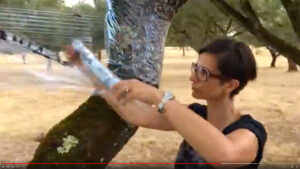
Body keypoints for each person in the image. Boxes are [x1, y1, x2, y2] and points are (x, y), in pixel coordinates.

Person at [67, 38, 267, 169]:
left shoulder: (249, 133)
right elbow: (135, 113)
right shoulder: (194, 114)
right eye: (195, 67)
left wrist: (159, 97)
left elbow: (224, 155)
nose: (192, 77)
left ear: (230, 85)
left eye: (203, 73)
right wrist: (88, 69)